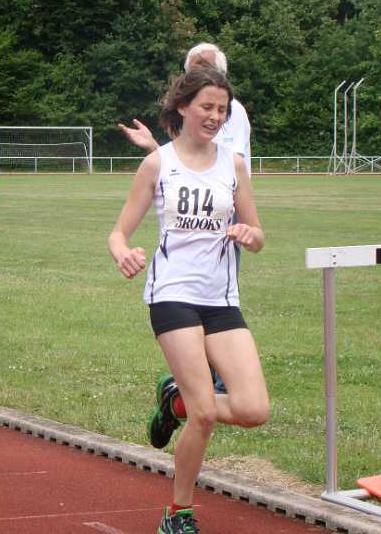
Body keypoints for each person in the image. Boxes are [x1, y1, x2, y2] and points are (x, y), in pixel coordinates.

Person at [108, 68, 269, 534]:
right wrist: (124, 253)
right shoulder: (158, 163)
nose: (215, 116)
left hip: (221, 299)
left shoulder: (233, 165)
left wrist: (249, 235)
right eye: (207, 107)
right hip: (172, 295)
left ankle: (175, 402)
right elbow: (118, 233)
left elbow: (259, 235)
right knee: (206, 413)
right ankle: (177, 514)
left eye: (222, 109)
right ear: (183, 107)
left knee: (254, 409)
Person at [119, 42, 252, 176]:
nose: (198, 75)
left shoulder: (232, 109)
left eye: (205, 68)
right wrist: (153, 147)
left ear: (221, 74)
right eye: (192, 70)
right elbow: (182, 168)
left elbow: (226, 170)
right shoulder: (189, 109)